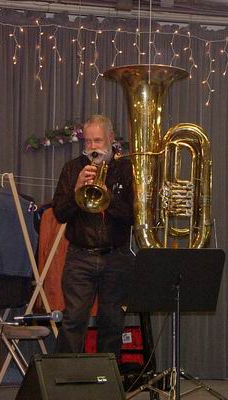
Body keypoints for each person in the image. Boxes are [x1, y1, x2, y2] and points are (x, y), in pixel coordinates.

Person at [52, 114, 134, 360]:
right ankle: (66, 375)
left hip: (116, 257)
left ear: (110, 138)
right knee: (73, 320)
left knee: (112, 322)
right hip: (80, 256)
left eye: (97, 140)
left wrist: (108, 197)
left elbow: (133, 215)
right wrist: (76, 189)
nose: (92, 147)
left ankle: (106, 377)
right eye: (87, 141)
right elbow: (60, 213)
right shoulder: (72, 169)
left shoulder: (125, 169)